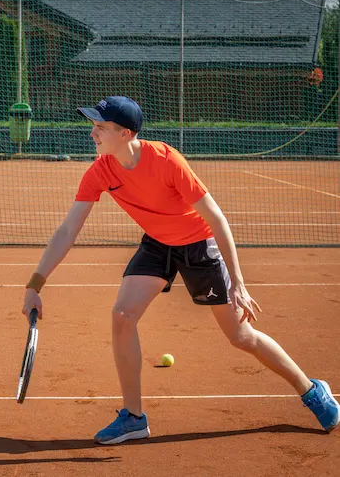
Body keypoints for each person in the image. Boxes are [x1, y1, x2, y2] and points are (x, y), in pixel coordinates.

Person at [21, 95, 339, 445]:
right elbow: (68, 229)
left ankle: (310, 389)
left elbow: (215, 216)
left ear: (126, 134)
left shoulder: (166, 160)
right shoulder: (100, 170)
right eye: (93, 126)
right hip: (158, 244)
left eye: (100, 127)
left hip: (199, 246)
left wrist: (239, 284)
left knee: (240, 336)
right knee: (122, 316)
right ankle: (133, 418)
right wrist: (35, 284)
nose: (92, 134)